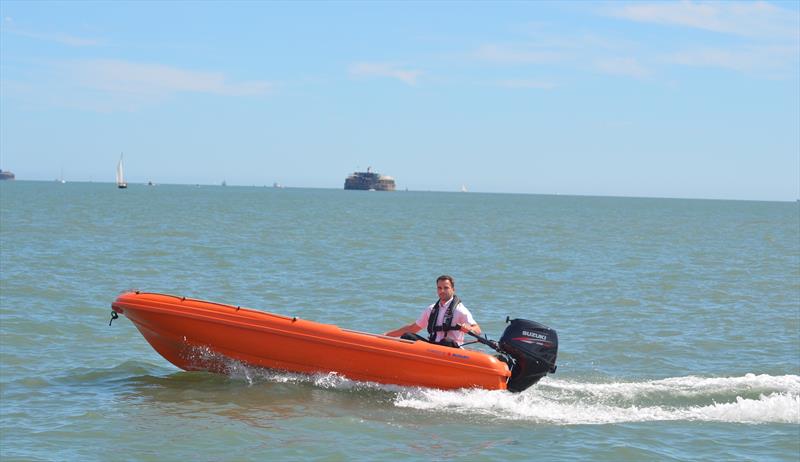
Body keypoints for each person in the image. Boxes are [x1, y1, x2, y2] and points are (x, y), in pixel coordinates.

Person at [385, 275, 481, 348]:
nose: (442, 291)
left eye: (446, 288)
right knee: (407, 336)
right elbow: (413, 328)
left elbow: (477, 330)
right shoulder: (431, 309)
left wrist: (469, 328)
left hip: (450, 350)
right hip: (432, 347)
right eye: (439, 288)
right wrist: (387, 335)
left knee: (446, 341)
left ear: (453, 289)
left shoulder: (460, 310)